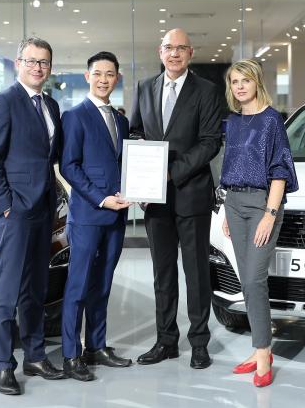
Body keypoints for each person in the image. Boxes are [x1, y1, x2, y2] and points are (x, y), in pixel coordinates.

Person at [0, 37, 66, 396]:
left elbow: (50, 157)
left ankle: (35, 355)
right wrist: (5, 205)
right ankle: (2, 364)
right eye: (31, 61)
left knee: (35, 287)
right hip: (14, 211)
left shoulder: (51, 105)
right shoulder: (3, 102)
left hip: (43, 207)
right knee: (8, 289)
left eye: (44, 62)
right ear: (18, 64)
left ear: (50, 67)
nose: (38, 68)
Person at [130, 28, 223, 369]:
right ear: (160, 52)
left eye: (181, 48)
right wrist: (142, 173)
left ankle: (199, 343)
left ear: (190, 53)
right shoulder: (145, 88)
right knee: (163, 273)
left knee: (196, 273)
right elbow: (136, 132)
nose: (174, 53)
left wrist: (169, 173)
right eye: (169, 47)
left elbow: (210, 142)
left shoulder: (207, 91)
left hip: (192, 194)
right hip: (155, 201)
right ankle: (166, 341)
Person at [219, 59, 298, 387]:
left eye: (245, 80)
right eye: (234, 81)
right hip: (234, 203)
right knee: (246, 281)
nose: (239, 87)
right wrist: (226, 210)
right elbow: (230, 165)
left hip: (262, 204)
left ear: (257, 83)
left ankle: (264, 353)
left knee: (254, 280)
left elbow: (280, 169)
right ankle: (258, 348)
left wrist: (270, 213)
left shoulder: (271, 120)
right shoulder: (233, 121)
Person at [59, 51, 132, 381]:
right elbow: (69, 166)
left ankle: (96, 346)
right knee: (78, 286)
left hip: (117, 217)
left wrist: (137, 192)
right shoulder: (75, 116)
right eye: (98, 73)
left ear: (117, 78)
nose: (104, 79)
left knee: (102, 284)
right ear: (88, 77)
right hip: (89, 215)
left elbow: (124, 166)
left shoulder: (121, 121)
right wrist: (101, 199)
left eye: (110, 74)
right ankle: (71, 354)